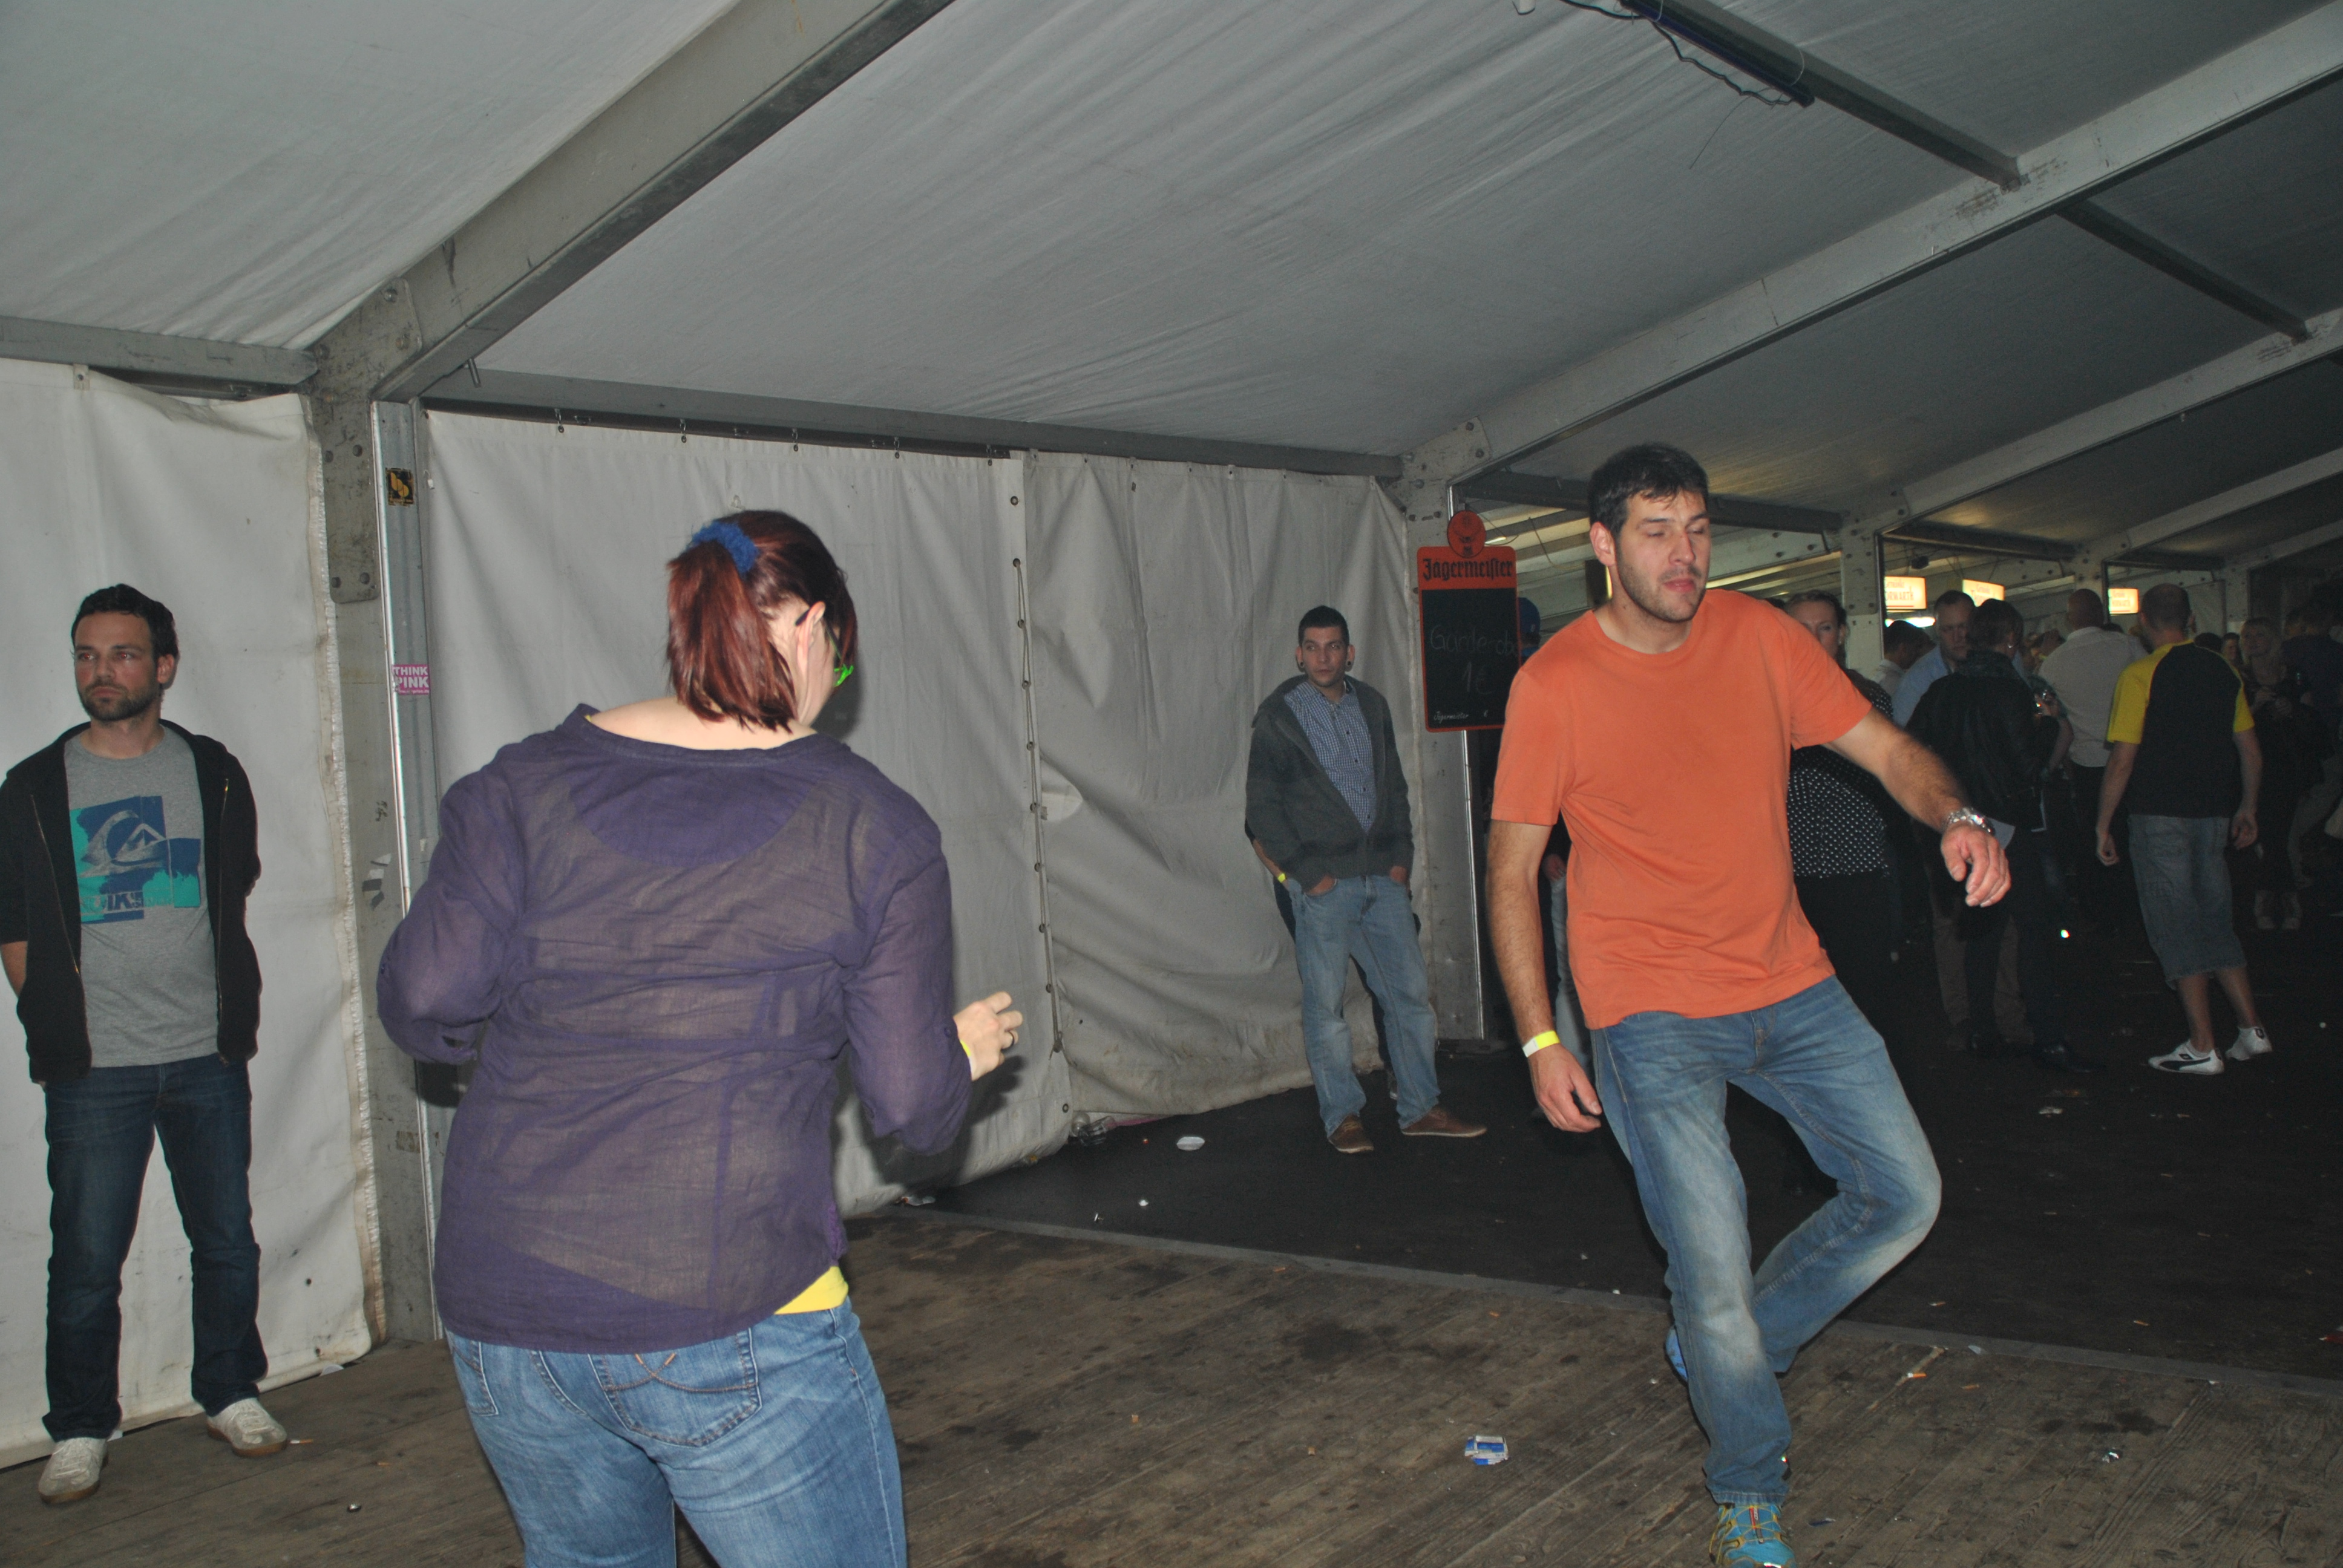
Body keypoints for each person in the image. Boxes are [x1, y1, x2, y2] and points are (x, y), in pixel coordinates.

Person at [375, 514, 1021, 1566]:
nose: (833, 686)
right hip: (730, 1301)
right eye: (839, 657)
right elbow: (911, 1105)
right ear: (807, 626)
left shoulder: (519, 785)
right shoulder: (869, 824)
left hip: (509, 1308)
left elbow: (426, 998)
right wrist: (957, 1056)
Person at [1487, 444, 2003, 1568]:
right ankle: (1748, 1486)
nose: (1685, 556)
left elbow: (1889, 752)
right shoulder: (1555, 683)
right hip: (1647, 1010)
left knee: (1904, 1194)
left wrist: (1959, 818)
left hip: (1790, 980)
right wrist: (1539, 1037)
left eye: (1698, 530)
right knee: (1708, 1265)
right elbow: (1512, 869)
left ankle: (1729, 1344)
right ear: (1602, 545)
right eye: (1657, 533)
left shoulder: (1762, 638)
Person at [2, 586, 284, 1506]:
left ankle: (230, 1391)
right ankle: (81, 1426)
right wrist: (57, 1011)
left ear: (163, 667)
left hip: (206, 1055)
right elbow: (15, 924)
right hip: (95, 1068)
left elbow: (234, 880)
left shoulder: (214, 771)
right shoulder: (33, 787)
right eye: (87, 654)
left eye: (122, 654)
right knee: (86, 1263)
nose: (102, 671)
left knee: (227, 1240)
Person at [1246, 607, 1482, 1153]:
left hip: (1382, 880)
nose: (1323, 657)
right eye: (1313, 647)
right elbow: (1261, 808)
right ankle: (1343, 1117)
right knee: (1326, 1008)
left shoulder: (1371, 705)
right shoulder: (1279, 717)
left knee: (1409, 999)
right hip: (1325, 886)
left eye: (1333, 646)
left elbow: (1394, 788)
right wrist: (1308, 875)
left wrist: (1400, 860)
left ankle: (1421, 1108)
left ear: (1349, 653)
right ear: (1298, 655)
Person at [1906, 599, 2099, 1073]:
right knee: (2032, 930)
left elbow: (1913, 752)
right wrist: (2048, 725)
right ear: (2011, 640)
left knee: (1983, 933)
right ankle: (2049, 1038)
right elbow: (2028, 766)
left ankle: (1983, 1031)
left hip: (1961, 825)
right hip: (2008, 827)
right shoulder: (2011, 693)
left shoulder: (1941, 691)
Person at [2096, 583, 2271, 1075]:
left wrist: (2103, 823)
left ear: (2144, 622)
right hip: (2213, 815)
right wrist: (2248, 807)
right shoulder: (2223, 669)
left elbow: (2123, 759)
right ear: (2191, 619)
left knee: (2176, 926)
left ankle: (2202, 1044)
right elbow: (2250, 750)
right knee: (2215, 921)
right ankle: (2252, 1029)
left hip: (2159, 817)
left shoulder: (2140, 675)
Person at [1780, 591, 1896, 1035]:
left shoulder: (1866, 699)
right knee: (1793, 1006)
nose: (1813, 640)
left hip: (1854, 871)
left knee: (1867, 998)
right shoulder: (1762, 700)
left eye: (1824, 628)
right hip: (1785, 877)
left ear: (1842, 634)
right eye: (1801, 630)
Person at [2039, 588, 2139, 926]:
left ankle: (2099, 915)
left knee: (2091, 837)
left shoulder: (2055, 662)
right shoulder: (2127, 647)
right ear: (2102, 613)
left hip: (2084, 764)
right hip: (2129, 759)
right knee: (2130, 836)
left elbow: (2050, 718)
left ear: (2070, 619)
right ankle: (2132, 910)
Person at [2238, 618, 2315, 930]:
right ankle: (2284, 896)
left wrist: (2291, 710)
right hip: (2254, 763)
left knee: (2278, 833)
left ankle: (2268, 897)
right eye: (2248, 636)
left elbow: (2311, 716)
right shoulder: (2240, 677)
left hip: (2286, 762)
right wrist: (2255, 707)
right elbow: (2229, 723)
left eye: (2259, 635)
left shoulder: (2293, 674)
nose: (2252, 641)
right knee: (2271, 835)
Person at [1889, 589, 1973, 725]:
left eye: (1963, 627)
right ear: (1937, 630)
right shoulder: (1917, 681)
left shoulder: (1997, 667)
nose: (1957, 637)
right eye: (1948, 629)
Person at [1873, 620, 1931, 698]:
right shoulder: (1895, 683)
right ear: (1904, 649)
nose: (1918, 653)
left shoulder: (1879, 677)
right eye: (1916, 648)